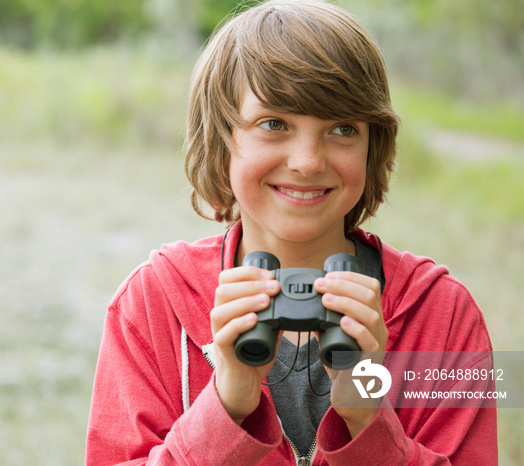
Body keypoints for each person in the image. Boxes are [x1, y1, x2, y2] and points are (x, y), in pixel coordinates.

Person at [86, 0, 496, 464]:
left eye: (342, 128)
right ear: (223, 139)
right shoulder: (153, 303)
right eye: (274, 124)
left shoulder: (442, 316)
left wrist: (366, 415)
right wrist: (227, 406)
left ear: (372, 145)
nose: (307, 161)